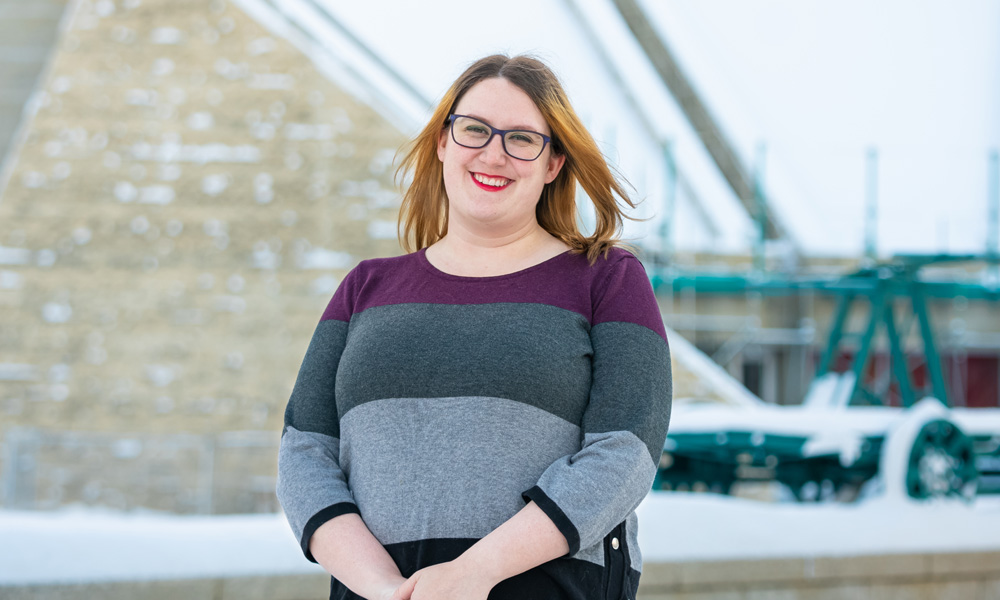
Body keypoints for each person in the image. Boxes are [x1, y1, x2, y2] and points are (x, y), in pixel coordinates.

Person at [277, 54, 672, 600]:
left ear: (553, 162)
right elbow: (304, 452)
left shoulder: (606, 279)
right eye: (474, 130)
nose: (494, 152)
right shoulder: (365, 288)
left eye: (522, 139)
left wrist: (472, 574)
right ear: (443, 142)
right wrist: (385, 589)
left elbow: (625, 452)